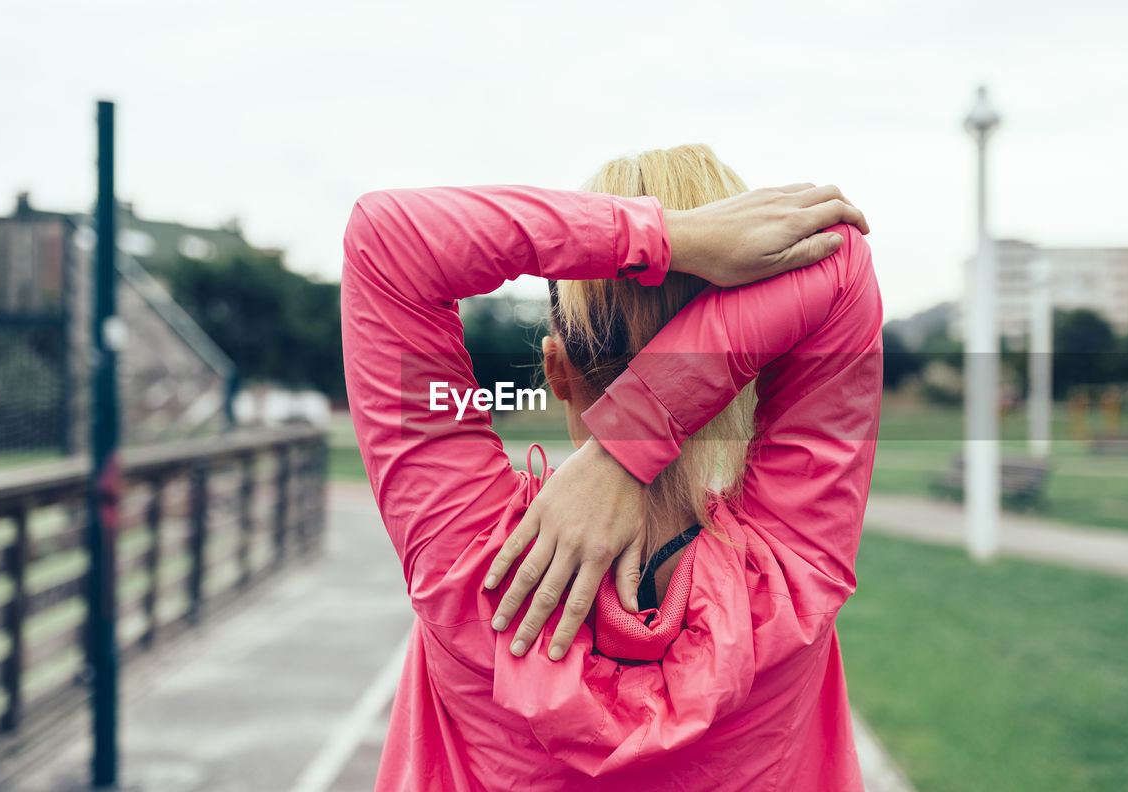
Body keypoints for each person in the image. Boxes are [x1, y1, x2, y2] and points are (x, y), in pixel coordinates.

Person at [340, 143, 882, 791]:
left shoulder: (468, 563)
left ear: (556, 368)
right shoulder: (792, 580)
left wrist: (670, 239)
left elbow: (387, 239)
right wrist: (636, 436)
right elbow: (839, 258)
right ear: (752, 363)